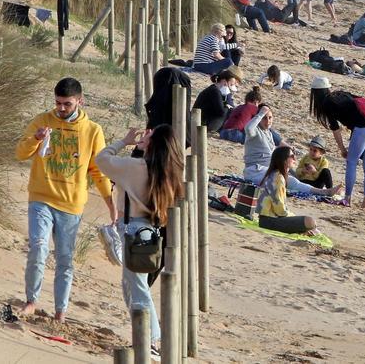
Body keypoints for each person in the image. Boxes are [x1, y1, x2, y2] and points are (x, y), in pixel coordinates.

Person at [16, 78, 116, 321]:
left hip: (72, 203)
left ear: (80, 101)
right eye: (58, 103)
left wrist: (111, 204)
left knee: (64, 258)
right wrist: (37, 139)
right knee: (38, 248)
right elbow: (20, 153)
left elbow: (98, 170)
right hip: (41, 197)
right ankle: (31, 300)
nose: (61, 109)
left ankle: (60, 311)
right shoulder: (42, 121)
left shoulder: (93, 130)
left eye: (67, 104)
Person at [95, 124, 185, 350]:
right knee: (132, 285)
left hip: (133, 231)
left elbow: (102, 159)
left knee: (137, 287)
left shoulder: (135, 167)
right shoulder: (168, 171)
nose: (144, 136)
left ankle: (153, 340)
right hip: (152, 233)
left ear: (155, 143)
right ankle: (145, 336)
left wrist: (124, 141)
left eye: (149, 135)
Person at [310, 77, 365, 209]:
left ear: (315, 94)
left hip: (363, 128)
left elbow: (336, 129)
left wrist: (342, 149)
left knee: (351, 162)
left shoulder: (327, 104)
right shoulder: (340, 94)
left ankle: (347, 198)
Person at [241, 104, 341, 197]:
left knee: (293, 175)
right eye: (264, 118)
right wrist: (261, 113)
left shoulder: (269, 133)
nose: (268, 121)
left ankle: (322, 189)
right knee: (288, 180)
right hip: (255, 171)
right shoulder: (254, 132)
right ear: (258, 118)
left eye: (270, 118)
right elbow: (248, 128)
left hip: (269, 170)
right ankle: (323, 192)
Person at [256, 146, 321, 235]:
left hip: (268, 219)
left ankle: (304, 231)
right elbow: (280, 210)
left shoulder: (276, 175)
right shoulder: (278, 178)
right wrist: (292, 217)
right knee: (310, 222)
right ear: (284, 160)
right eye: (292, 156)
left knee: (311, 226)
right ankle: (303, 232)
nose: (294, 158)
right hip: (270, 221)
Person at [194, 69, 240, 134]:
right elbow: (221, 112)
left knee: (230, 109)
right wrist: (227, 104)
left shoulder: (214, 89)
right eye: (230, 84)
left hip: (202, 120)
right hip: (202, 123)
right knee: (228, 111)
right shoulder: (215, 91)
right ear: (224, 81)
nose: (230, 87)